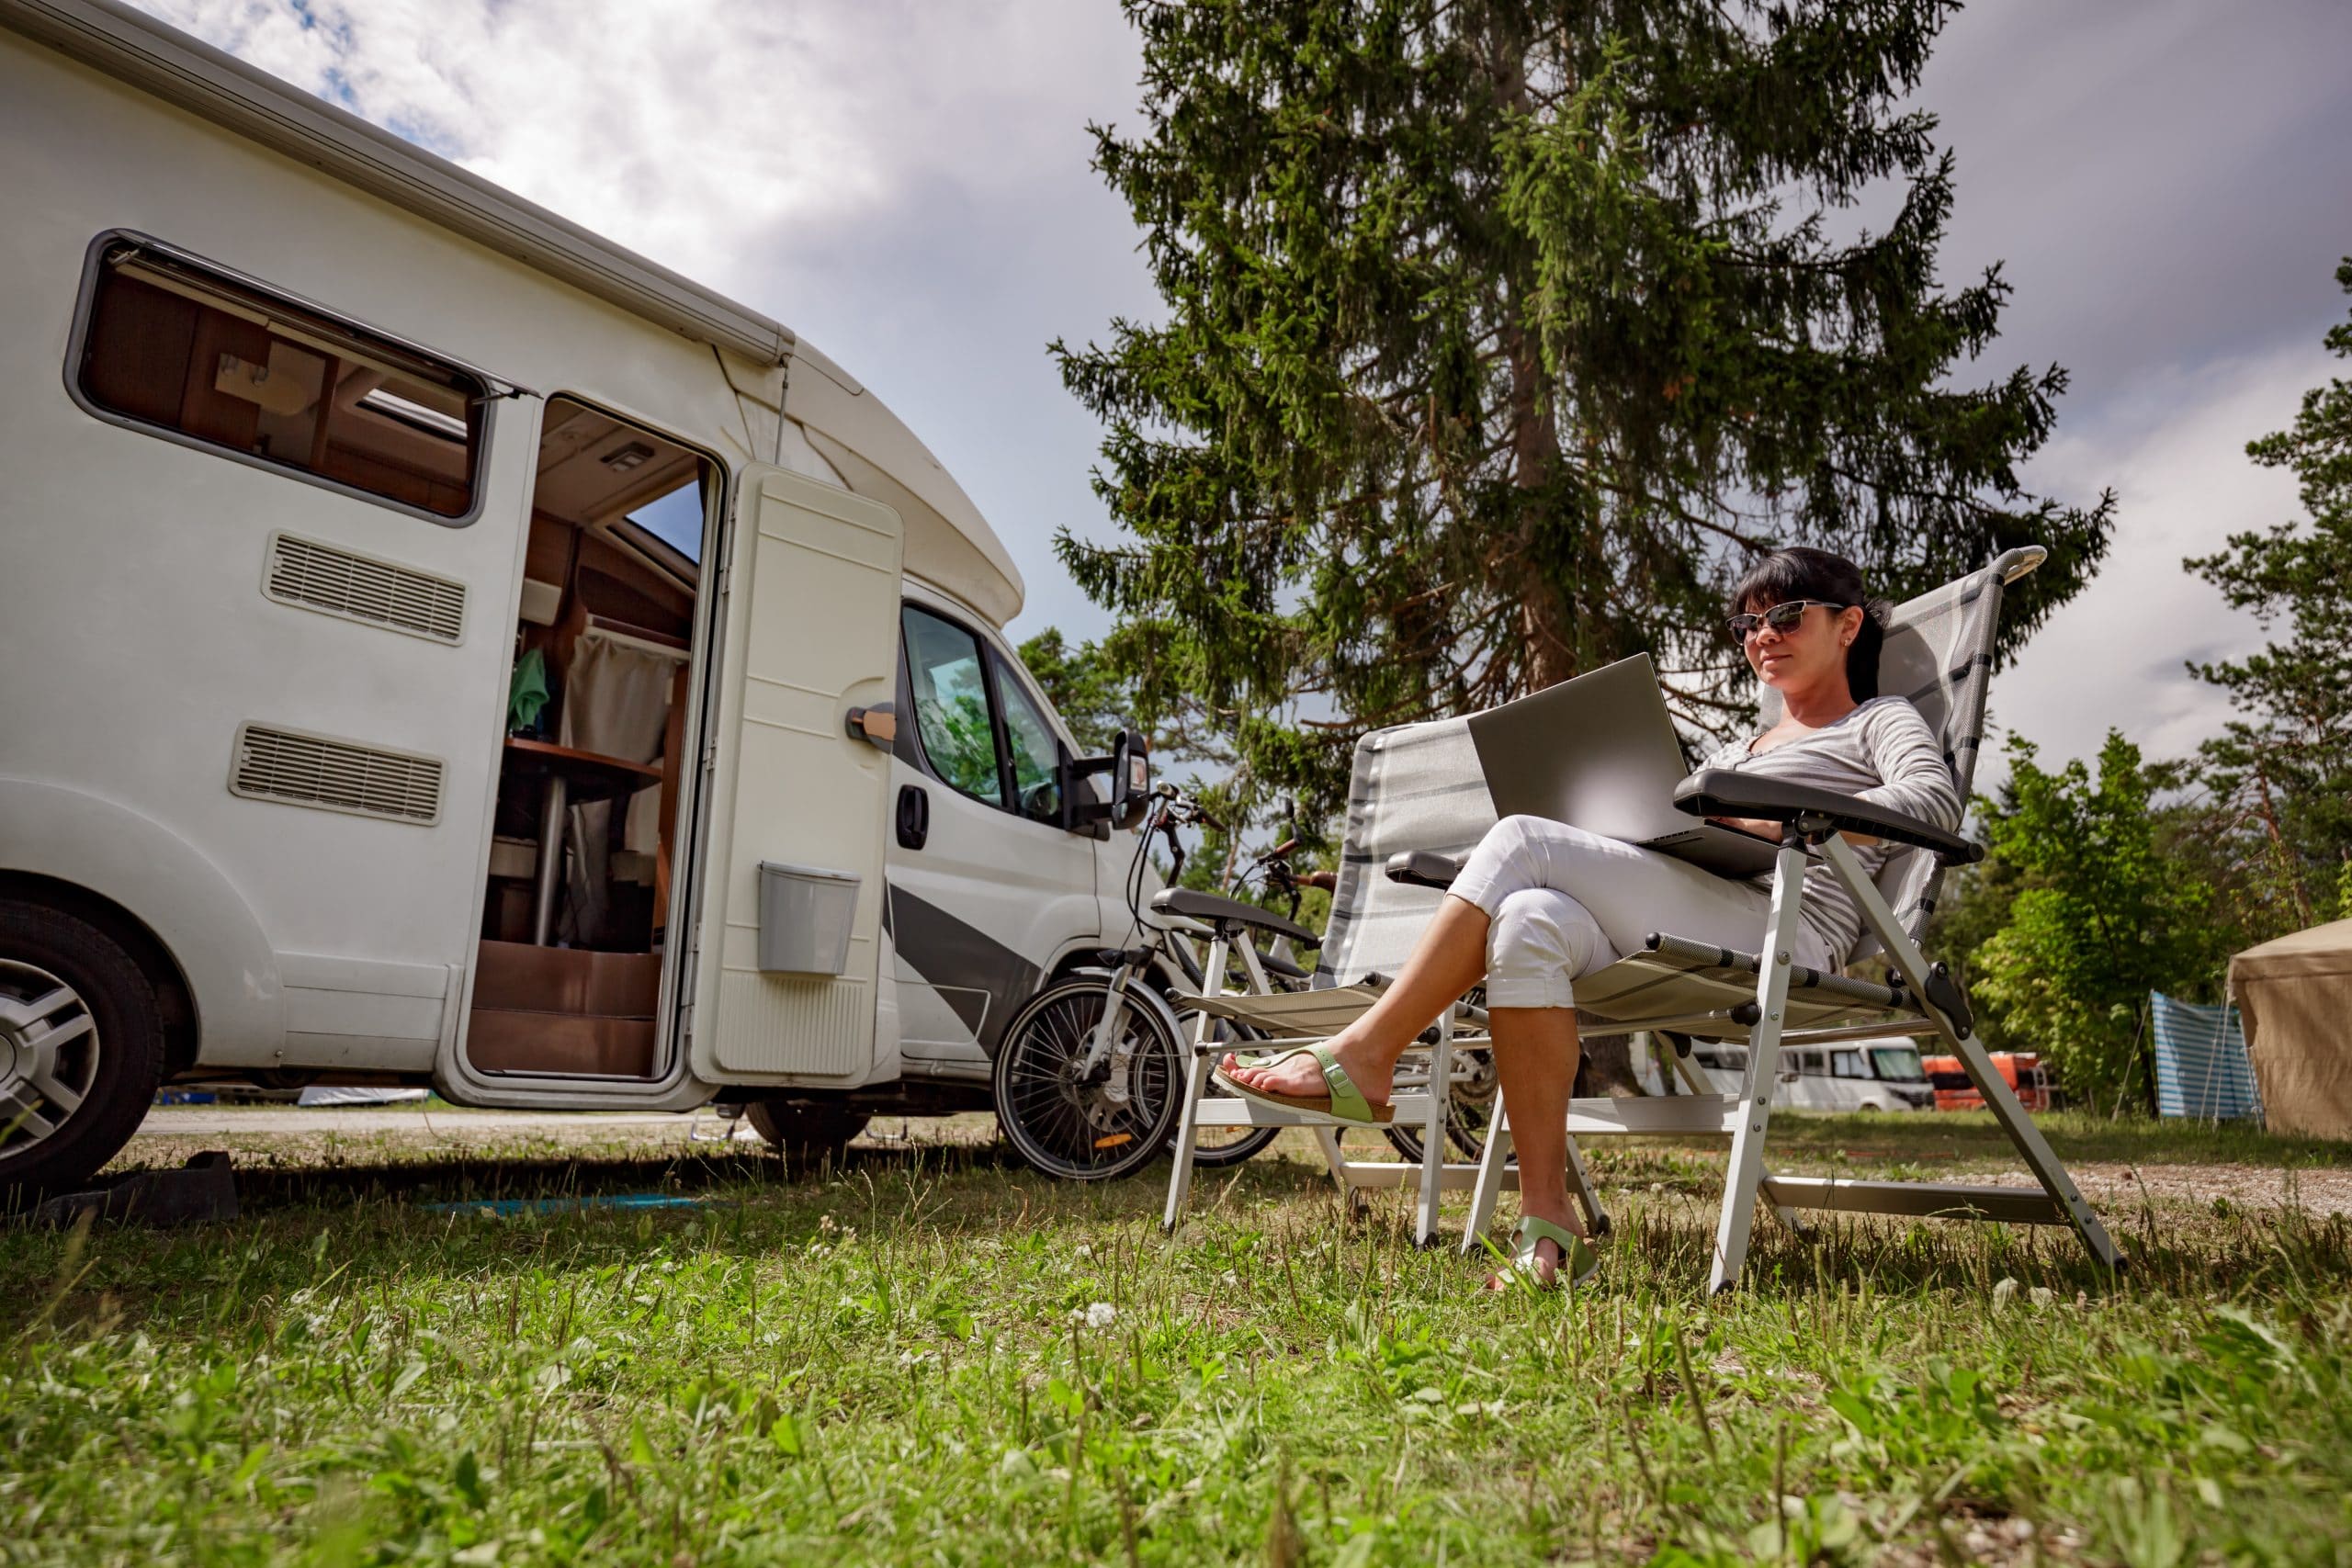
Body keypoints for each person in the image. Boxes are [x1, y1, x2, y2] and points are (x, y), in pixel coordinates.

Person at [1216, 547, 1962, 1287]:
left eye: (1788, 615)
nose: (1762, 634)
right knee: (1529, 920)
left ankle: (1367, 1051)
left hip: (1788, 930)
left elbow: (1932, 803)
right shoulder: (1745, 746)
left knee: (1520, 839)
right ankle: (1550, 1222)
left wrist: (1788, 820)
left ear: (1849, 624)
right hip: (1706, 907)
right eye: (1747, 623)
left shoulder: (1877, 721)